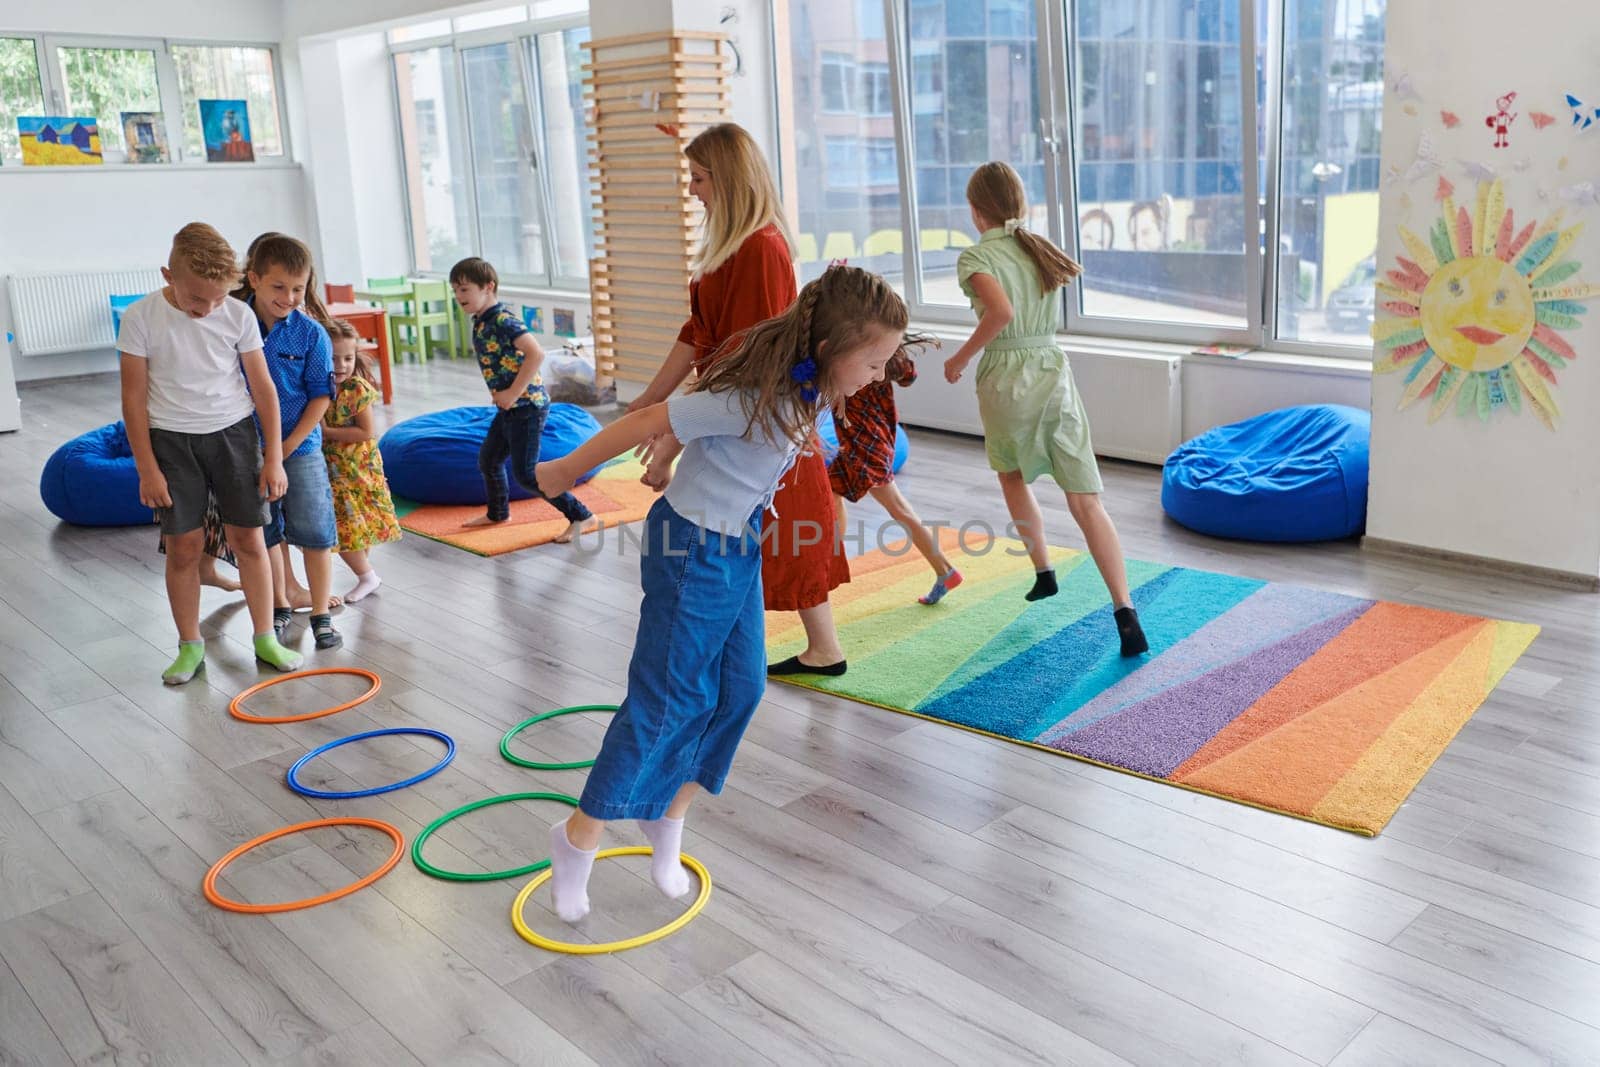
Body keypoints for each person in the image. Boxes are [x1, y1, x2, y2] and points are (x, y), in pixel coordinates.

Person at [535, 266, 922, 922]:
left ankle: (668, 814)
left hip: (737, 540)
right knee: (668, 700)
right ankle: (576, 839)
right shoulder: (759, 396)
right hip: (689, 549)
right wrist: (566, 469)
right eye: (876, 361)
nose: (880, 374)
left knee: (740, 689)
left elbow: (707, 441)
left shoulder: (808, 388)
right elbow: (658, 415)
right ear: (830, 350)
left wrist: (667, 460)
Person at [628, 122, 851, 676]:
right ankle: (817, 649)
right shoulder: (731, 244)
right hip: (734, 405)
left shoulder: (761, 248)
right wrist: (649, 403)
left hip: (757, 412)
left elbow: (747, 357)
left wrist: (673, 428)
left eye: (699, 179)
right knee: (763, 529)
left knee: (786, 526)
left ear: (728, 180)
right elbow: (698, 330)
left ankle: (821, 650)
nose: (691, 190)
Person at [943, 162, 1148, 656]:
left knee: (1012, 475)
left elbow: (1002, 313)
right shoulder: (1039, 250)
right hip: (1053, 370)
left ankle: (1043, 569)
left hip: (1008, 376)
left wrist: (959, 357)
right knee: (1085, 499)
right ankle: (1125, 611)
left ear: (975, 211)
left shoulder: (976, 256)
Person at [118, 222, 302, 683]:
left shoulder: (237, 314)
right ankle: (189, 645)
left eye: (217, 298)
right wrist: (147, 469)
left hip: (234, 437)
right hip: (171, 442)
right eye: (196, 299)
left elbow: (264, 389)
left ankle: (265, 637)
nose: (207, 309)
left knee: (250, 541)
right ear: (168, 276)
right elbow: (133, 399)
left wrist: (274, 457)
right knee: (183, 546)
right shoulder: (140, 318)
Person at [234, 234, 342, 651]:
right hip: (245, 447)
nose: (290, 297)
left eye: (298, 289)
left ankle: (320, 613)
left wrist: (286, 447)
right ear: (255, 279)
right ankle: (279, 605)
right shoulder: (231, 323)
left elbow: (320, 396)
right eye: (279, 287)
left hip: (301, 447)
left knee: (315, 530)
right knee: (266, 530)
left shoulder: (312, 334)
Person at [450, 257, 595, 543]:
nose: (458, 297)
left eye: (465, 290)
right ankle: (498, 513)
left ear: (488, 287)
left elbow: (536, 353)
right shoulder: (481, 320)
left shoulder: (504, 320)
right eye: (455, 290)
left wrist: (512, 393)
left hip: (527, 406)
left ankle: (582, 515)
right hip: (510, 407)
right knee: (489, 459)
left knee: (526, 474)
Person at [828, 346, 961, 605]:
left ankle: (945, 570)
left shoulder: (858, 357)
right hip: (865, 442)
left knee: (900, 509)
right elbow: (909, 376)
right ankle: (833, 558)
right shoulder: (881, 353)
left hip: (866, 446)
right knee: (832, 490)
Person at [321, 320, 400, 603]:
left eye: (348, 358)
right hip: (335, 470)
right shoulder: (320, 385)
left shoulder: (356, 389)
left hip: (356, 471)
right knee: (352, 529)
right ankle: (365, 575)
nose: (341, 365)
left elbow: (366, 431)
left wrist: (325, 432)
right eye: (333, 358)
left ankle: (367, 576)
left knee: (344, 531)